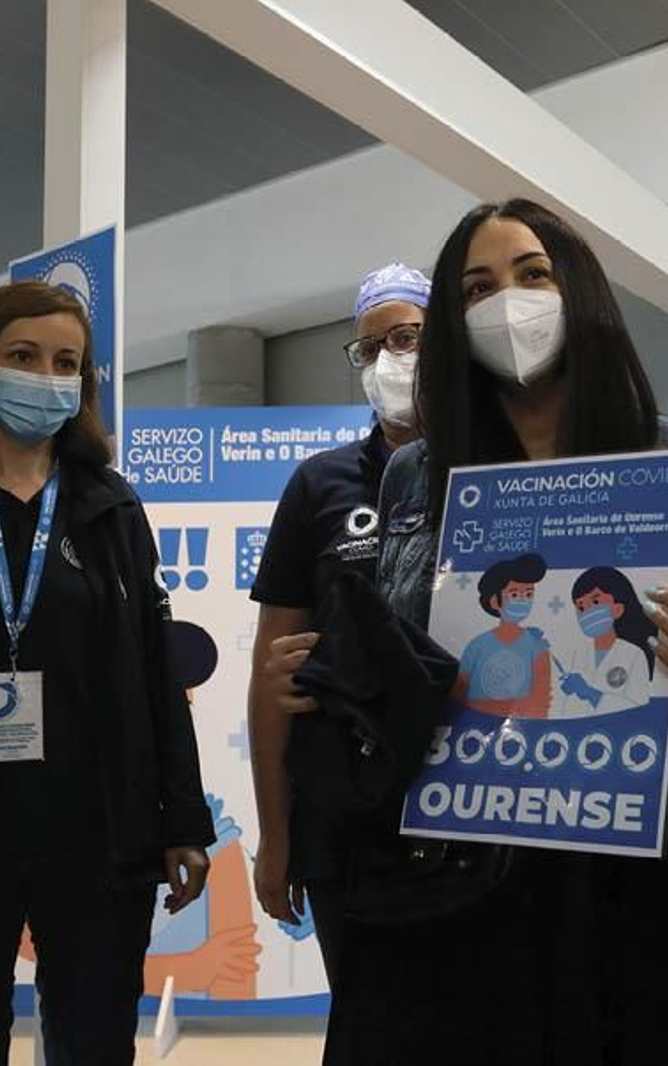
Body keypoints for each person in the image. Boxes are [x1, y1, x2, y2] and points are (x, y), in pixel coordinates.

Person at [323, 199, 668, 1065]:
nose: (509, 302)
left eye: (532, 275)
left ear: (578, 290)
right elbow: (394, 669)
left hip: (623, 846)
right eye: (477, 288)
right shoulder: (418, 473)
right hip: (457, 852)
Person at [0, 281, 214, 1066]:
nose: (46, 375)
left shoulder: (110, 507)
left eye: (66, 362)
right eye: (22, 355)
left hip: (95, 830)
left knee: (93, 1045)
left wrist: (181, 819)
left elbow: (156, 673)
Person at [247, 262, 429, 984]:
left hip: (468, 804)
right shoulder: (320, 485)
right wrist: (275, 834)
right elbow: (271, 675)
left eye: (408, 337)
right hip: (345, 817)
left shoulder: (493, 467)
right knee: (365, 1026)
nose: (390, 359)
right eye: (371, 347)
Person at [453, 553, 553, 718]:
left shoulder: (538, 647)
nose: (523, 600)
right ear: (494, 601)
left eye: (528, 594)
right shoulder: (476, 646)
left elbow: (542, 701)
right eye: (514, 594)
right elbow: (458, 696)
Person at [555, 566, 657, 717]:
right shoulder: (577, 654)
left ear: (617, 609)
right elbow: (567, 708)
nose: (587, 612)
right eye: (581, 607)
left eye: (595, 602)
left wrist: (590, 694)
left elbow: (640, 707)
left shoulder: (634, 655)